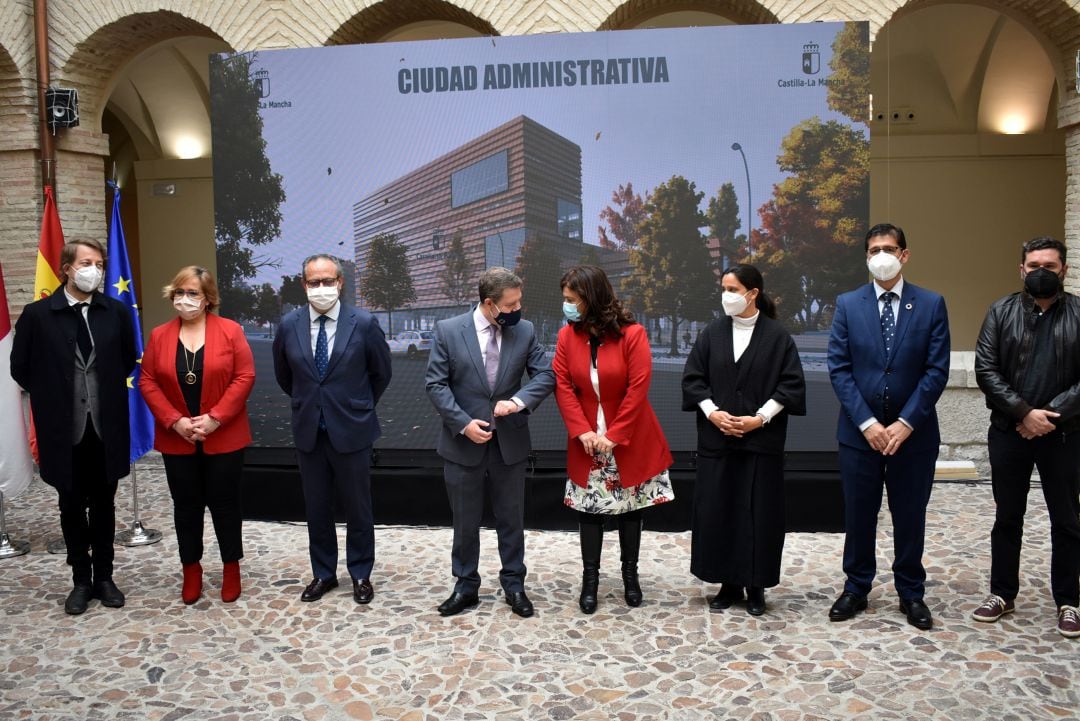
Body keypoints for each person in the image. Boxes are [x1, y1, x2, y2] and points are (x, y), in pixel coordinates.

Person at [826, 223, 950, 630]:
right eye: (875, 249)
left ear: (905, 254)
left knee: (909, 515)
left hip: (912, 438)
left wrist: (904, 424)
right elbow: (840, 368)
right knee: (859, 514)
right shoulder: (848, 304)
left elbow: (935, 371)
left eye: (890, 248)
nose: (882, 255)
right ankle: (856, 587)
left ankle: (911, 593)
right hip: (859, 435)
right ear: (866, 257)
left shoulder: (931, 304)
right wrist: (867, 423)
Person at [10, 238, 135, 615]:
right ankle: (80, 579)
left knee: (104, 505)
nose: (93, 270)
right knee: (69, 505)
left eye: (98, 263)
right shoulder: (37, 315)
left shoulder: (115, 312)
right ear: (66, 268)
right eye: (86, 262)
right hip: (62, 431)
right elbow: (21, 368)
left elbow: (127, 360)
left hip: (105, 426)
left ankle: (105, 577)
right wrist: (57, 396)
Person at [425, 267, 555, 617]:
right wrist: (462, 424)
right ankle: (465, 586)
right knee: (464, 522)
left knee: (511, 519)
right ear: (489, 303)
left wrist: (517, 401)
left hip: (509, 445)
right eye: (511, 305)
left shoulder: (524, 332)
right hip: (462, 444)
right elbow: (436, 384)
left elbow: (546, 375)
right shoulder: (449, 331)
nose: (518, 310)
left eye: (519, 302)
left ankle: (514, 585)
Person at [681, 264, 805, 616]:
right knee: (718, 511)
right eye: (723, 288)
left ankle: (756, 586)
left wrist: (759, 419)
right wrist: (713, 413)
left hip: (760, 444)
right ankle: (726, 583)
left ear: (752, 294)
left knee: (758, 514)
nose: (726, 295)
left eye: (733, 289)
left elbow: (791, 386)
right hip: (717, 442)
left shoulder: (778, 337)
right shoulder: (711, 334)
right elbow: (693, 380)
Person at [972, 236, 1080, 638]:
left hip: (1064, 433)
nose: (1040, 272)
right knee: (1007, 517)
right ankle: (1002, 593)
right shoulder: (1000, 311)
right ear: (1021, 270)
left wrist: (1047, 417)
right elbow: (986, 370)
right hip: (1009, 431)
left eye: (1049, 266)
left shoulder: (1078, 313)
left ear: (1063, 270)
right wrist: (1023, 413)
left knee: (1067, 520)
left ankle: (1069, 600)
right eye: (1033, 265)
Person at [554, 265, 674, 614]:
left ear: (590, 299)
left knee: (630, 511)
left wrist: (616, 435)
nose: (568, 306)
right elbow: (563, 386)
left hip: (629, 438)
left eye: (572, 299)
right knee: (589, 513)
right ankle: (590, 581)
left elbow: (638, 388)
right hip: (587, 442)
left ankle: (630, 578)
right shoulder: (566, 337)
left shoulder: (633, 334)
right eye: (566, 300)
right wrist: (583, 431)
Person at [272, 254, 392, 605]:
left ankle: (360, 574)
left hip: (352, 430)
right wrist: (311, 403)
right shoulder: (289, 324)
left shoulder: (364, 323)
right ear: (304, 285)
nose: (321, 288)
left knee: (358, 507)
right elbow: (285, 376)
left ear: (340, 283)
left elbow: (380, 373)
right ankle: (323, 573)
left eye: (327, 281)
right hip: (310, 430)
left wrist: (357, 405)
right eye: (314, 282)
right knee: (317, 508)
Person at [139, 266, 255, 604]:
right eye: (179, 292)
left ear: (207, 299)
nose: (184, 299)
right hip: (178, 438)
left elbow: (245, 375)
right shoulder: (160, 335)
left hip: (224, 435)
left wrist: (216, 418)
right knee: (185, 506)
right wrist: (174, 420)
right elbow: (147, 380)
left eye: (193, 293)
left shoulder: (231, 331)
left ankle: (231, 567)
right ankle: (192, 569)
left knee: (225, 504)